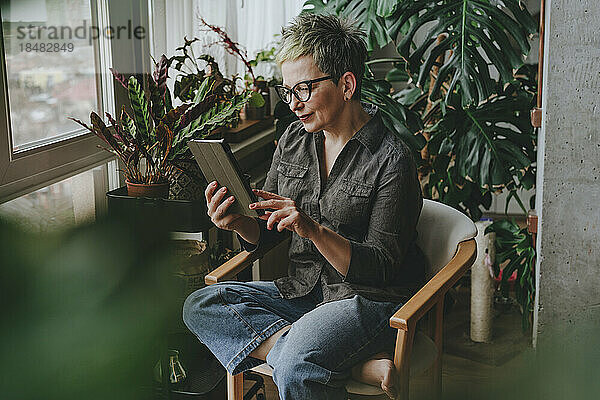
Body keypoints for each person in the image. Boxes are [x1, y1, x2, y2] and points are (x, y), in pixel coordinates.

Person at [183, 13, 426, 400]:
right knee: (202, 303)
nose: (293, 105)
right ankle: (356, 365)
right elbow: (265, 230)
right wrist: (238, 223)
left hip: (364, 300)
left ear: (346, 84)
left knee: (298, 365)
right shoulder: (294, 140)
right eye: (287, 92)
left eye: (304, 90)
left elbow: (379, 270)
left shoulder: (392, 161)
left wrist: (312, 229)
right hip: (302, 293)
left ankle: (305, 355)